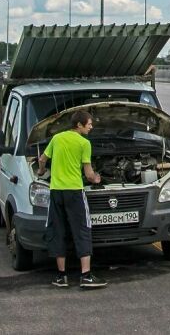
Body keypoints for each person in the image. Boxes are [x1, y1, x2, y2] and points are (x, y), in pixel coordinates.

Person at [37, 110, 106, 289]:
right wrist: (97, 179)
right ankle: (86, 276)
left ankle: (61, 277)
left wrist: (41, 171)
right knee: (82, 229)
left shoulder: (57, 138)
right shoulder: (84, 143)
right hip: (74, 191)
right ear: (79, 125)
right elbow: (89, 174)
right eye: (89, 124)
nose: (91, 127)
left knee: (58, 230)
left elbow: (42, 159)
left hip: (56, 192)